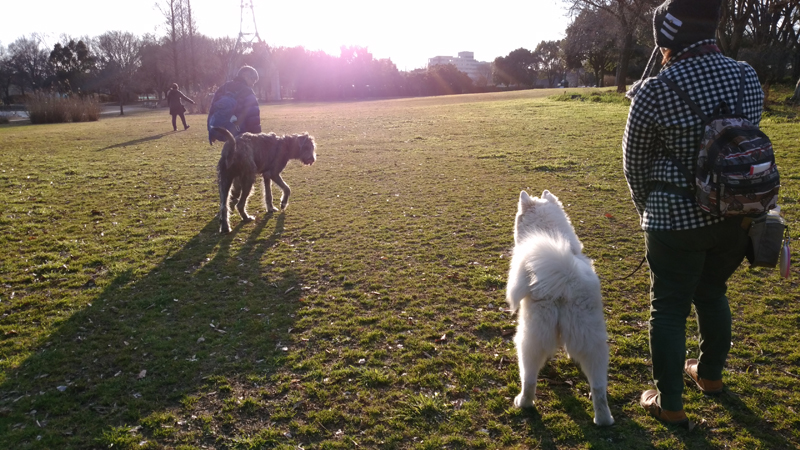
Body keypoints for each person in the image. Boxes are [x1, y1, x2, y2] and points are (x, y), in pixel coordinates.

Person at [622, 0, 764, 426]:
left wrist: (647, 211)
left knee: (667, 309)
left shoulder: (654, 90)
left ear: (666, 38)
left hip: (675, 219)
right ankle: (711, 376)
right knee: (712, 291)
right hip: (737, 215)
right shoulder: (746, 76)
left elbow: (635, 165)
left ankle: (670, 404)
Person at [207, 65, 261, 144]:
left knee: (230, 153)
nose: (253, 84)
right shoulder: (248, 92)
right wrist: (257, 138)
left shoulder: (223, 88)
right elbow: (253, 117)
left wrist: (211, 132)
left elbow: (212, 110)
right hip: (240, 134)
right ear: (245, 75)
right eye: (253, 80)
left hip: (222, 130)